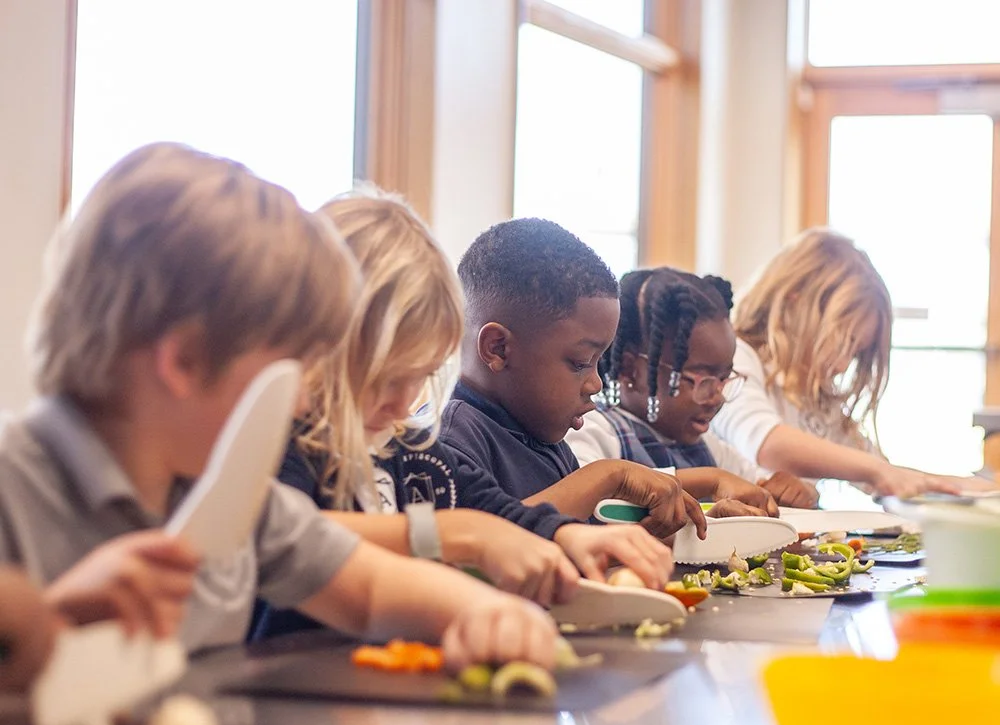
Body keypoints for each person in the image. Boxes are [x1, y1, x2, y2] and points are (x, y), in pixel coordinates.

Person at [0, 143, 560, 671]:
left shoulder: (239, 500)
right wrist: (43, 627)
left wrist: (487, 613)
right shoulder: (14, 484)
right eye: (289, 369)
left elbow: (368, 589)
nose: (300, 399)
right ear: (185, 362)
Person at [253, 189, 582, 643]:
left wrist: (569, 536)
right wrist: (446, 533)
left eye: (421, 376)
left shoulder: (408, 446)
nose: (404, 404)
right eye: (386, 377)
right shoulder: (284, 442)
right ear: (321, 347)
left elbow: (490, 508)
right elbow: (286, 533)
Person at [440, 217, 717, 583]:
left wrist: (689, 532)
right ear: (499, 348)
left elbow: (578, 556)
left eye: (599, 362)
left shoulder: (542, 438)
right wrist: (606, 475)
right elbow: (483, 547)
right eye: (580, 362)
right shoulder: (452, 437)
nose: (596, 383)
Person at [712, 228, 996, 499]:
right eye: (844, 342)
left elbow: (886, 476)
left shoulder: (816, 400)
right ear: (795, 302)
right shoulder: (734, 359)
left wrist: (962, 487)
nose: (842, 365)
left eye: (855, 353)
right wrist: (877, 470)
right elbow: (767, 444)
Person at [567, 267, 818, 510]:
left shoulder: (708, 446)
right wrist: (710, 479)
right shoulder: (594, 430)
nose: (717, 395)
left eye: (724, 377)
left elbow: (756, 485)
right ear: (631, 368)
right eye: (702, 379)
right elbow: (586, 496)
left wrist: (790, 489)